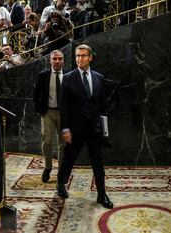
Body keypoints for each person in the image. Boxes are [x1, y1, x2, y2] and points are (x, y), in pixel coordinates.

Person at [56, 44, 113, 209]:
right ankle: (61, 184)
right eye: (77, 56)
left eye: (83, 56)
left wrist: (104, 128)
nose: (79, 59)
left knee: (98, 162)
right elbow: (64, 107)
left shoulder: (99, 78)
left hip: (94, 129)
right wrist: (65, 129)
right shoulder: (67, 78)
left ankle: (102, 195)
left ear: (90, 57)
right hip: (75, 129)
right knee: (68, 160)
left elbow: (103, 106)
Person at [33, 50, 66, 183]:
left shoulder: (68, 75)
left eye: (59, 58)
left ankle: (62, 170)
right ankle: (47, 167)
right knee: (47, 142)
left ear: (63, 60)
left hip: (63, 114)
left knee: (63, 144)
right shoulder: (44, 75)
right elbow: (36, 94)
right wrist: (40, 110)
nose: (57, 61)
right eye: (54, 59)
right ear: (50, 60)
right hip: (48, 113)